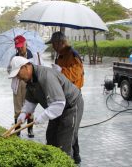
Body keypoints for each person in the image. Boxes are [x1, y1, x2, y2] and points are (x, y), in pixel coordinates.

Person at [9, 56, 83, 159]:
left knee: (64, 143)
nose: (18, 77)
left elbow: (59, 103)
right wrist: (24, 113)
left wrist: (42, 117)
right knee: (51, 139)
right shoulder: (29, 81)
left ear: (26, 67)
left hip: (71, 106)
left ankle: (73, 159)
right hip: (54, 108)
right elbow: (30, 101)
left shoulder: (46, 76)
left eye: (18, 73)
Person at [47, 31, 84, 164]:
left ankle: (76, 156)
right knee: (66, 128)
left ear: (60, 43)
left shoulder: (73, 54)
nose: (53, 47)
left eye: (54, 44)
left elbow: (76, 73)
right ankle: (72, 154)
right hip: (62, 95)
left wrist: (61, 71)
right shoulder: (60, 55)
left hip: (73, 96)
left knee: (71, 129)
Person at [9, 35, 43, 138]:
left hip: (30, 84)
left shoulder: (34, 56)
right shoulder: (14, 58)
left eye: (21, 46)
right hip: (18, 84)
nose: (19, 48)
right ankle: (17, 129)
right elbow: (9, 71)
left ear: (25, 44)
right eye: (17, 47)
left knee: (30, 105)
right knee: (18, 107)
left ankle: (30, 130)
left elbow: (40, 69)